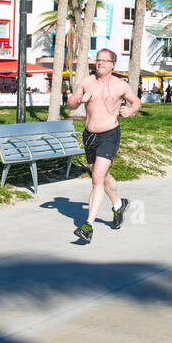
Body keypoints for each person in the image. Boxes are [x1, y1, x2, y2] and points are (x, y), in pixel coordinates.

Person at [67, 49, 141, 244]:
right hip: (89, 135)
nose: (100, 64)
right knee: (103, 176)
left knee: (97, 178)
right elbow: (70, 105)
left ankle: (88, 226)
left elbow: (136, 102)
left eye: (105, 61)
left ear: (113, 64)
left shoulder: (120, 85)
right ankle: (118, 204)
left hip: (110, 134)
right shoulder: (86, 82)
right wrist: (79, 100)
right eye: (98, 60)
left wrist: (130, 110)